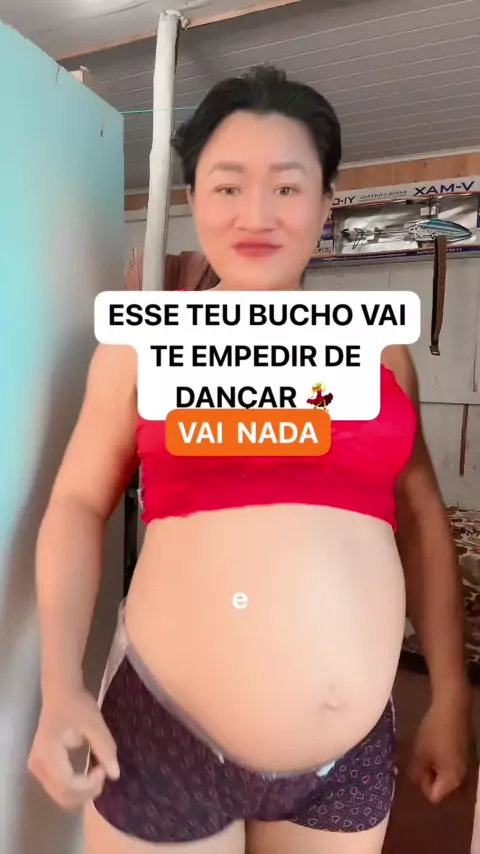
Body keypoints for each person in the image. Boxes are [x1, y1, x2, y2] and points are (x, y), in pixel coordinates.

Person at [28, 65, 471, 854]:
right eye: (227, 186)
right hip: (166, 735)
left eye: (287, 187)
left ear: (326, 204)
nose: (256, 214)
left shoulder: (382, 352)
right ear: (194, 198)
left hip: (346, 757)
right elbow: (76, 503)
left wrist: (450, 693)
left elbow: (420, 515)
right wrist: (58, 685)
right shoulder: (141, 349)